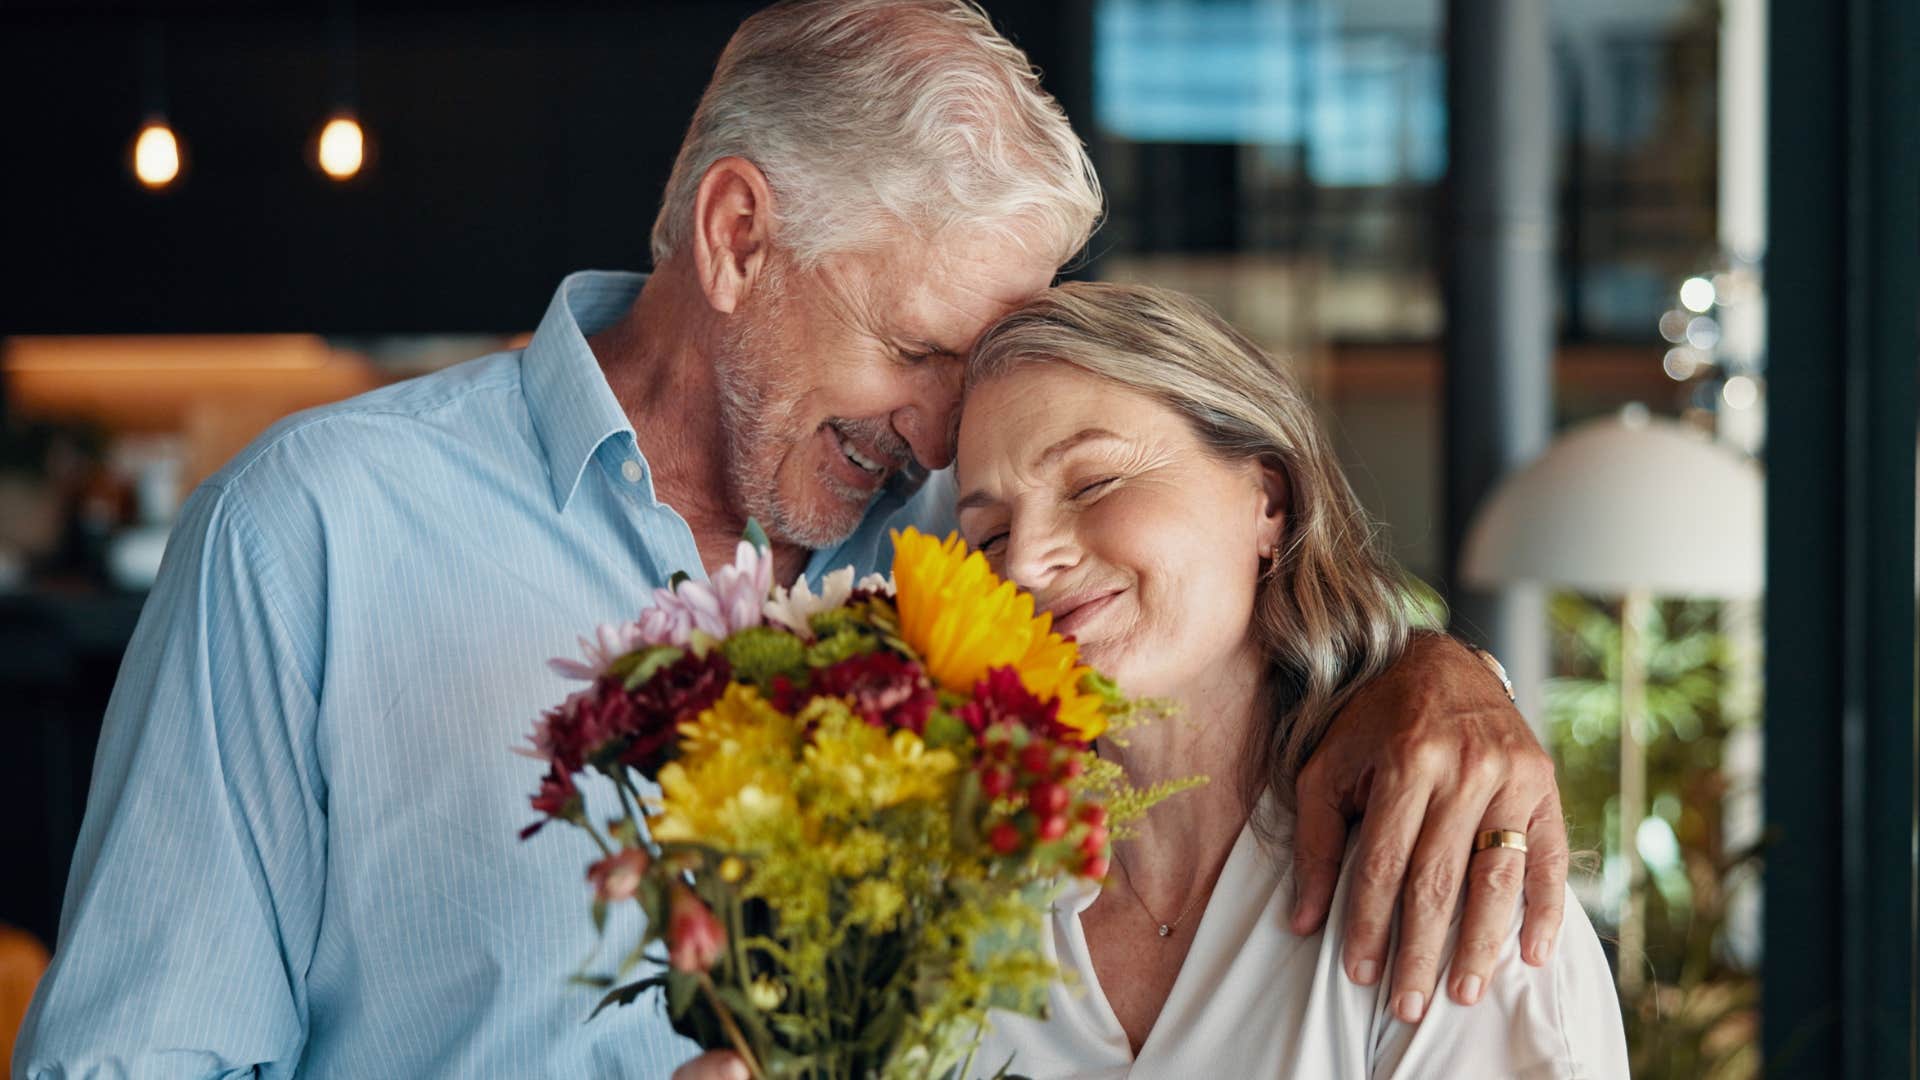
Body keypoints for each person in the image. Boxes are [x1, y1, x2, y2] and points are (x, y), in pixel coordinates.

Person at [17, 3, 1567, 1076]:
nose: (963, 435)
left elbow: (1222, 608)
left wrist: (1430, 673)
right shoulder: (314, 537)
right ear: (739, 237)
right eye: (920, 349)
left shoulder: (958, 564)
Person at [953, 282, 1626, 1077]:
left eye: (1093, 483)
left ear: (1268, 499)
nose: (1028, 559)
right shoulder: (947, 879)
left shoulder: (1442, 872)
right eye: (989, 534)